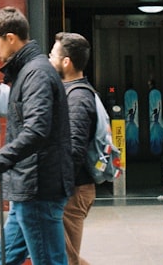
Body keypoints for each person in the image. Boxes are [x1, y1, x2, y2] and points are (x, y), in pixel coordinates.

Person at [0, 6, 73, 265]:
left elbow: (37, 130)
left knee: (49, 261)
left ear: (10, 38)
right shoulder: (30, 71)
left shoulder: (36, 73)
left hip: (38, 188)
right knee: (1, 261)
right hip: (28, 189)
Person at [49, 32, 97, 265]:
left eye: (52, 55)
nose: (49, 60)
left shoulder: (77, 98)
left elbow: (75, 151)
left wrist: (58, 187)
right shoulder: (71, 92)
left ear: (66, 62)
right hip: (73, 187)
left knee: (67, 258)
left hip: (74, 189)